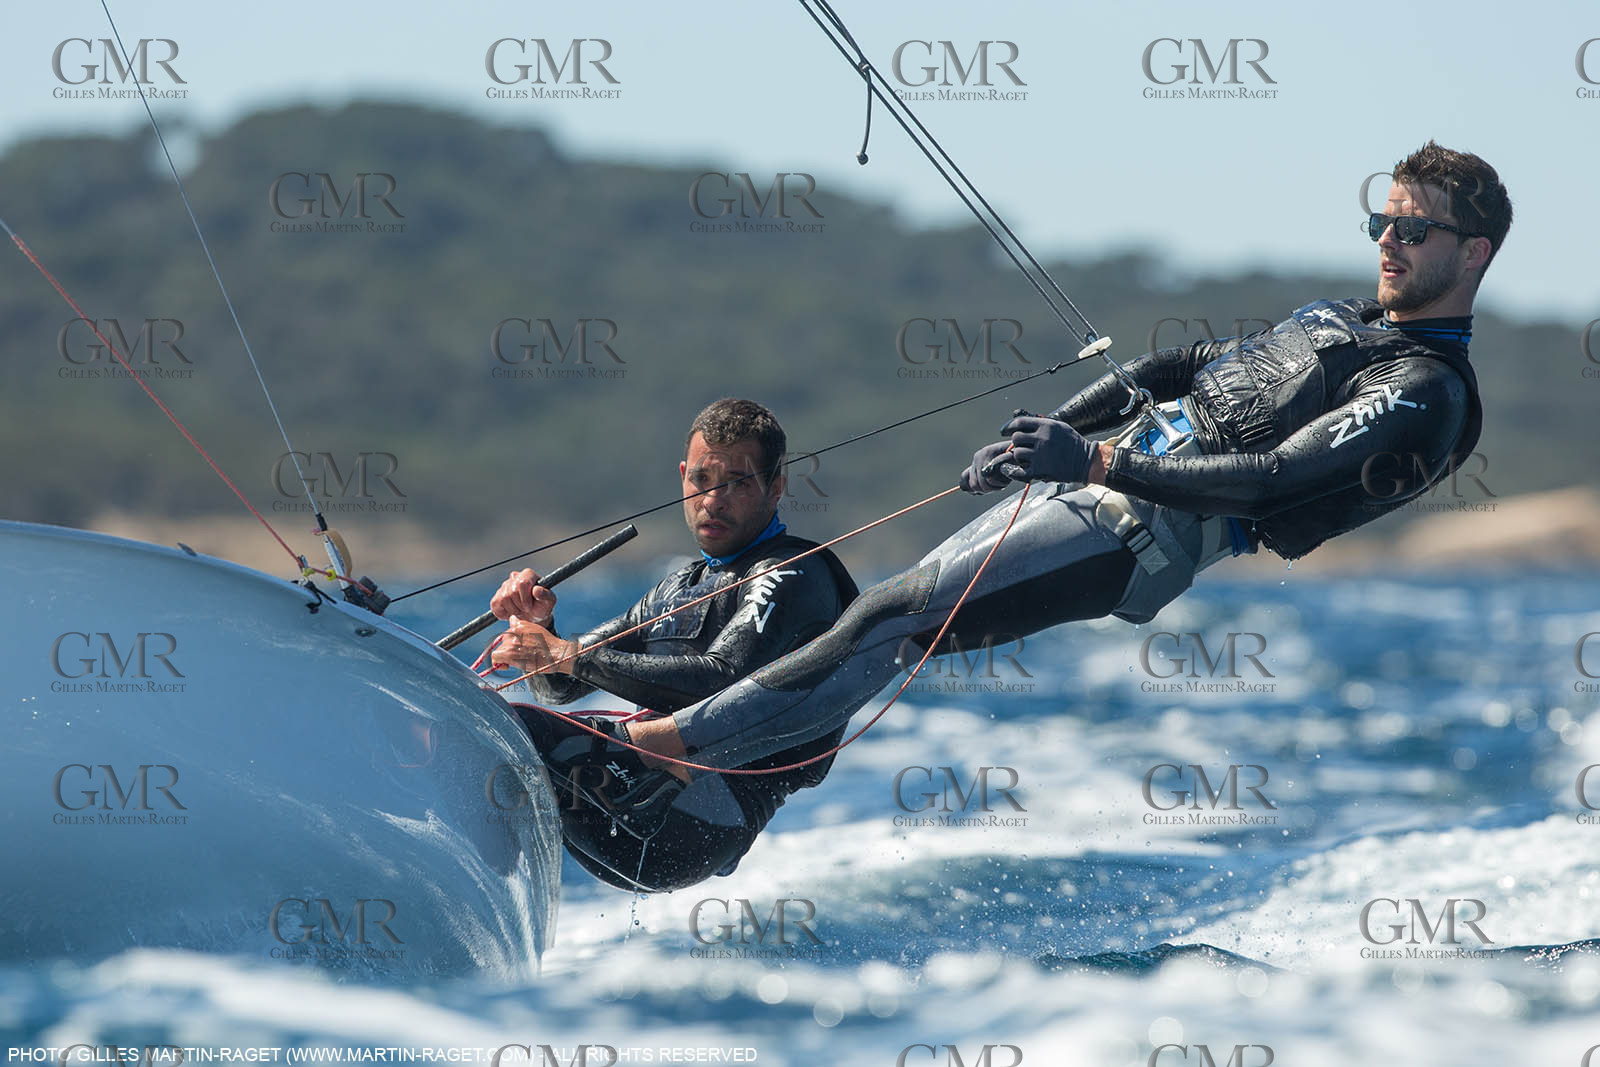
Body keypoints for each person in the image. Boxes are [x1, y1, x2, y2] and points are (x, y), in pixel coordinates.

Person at [606, 141, 1512, 799]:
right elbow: (1182, 366)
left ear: (1472, 252)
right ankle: (716, 764)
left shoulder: (1427, 391)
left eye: (1415, 229)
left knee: (896, 615)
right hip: (1101, 483)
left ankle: (673, 744)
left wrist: (1095, 459)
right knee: (889, 618)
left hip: (1144, 532)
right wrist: (1052, 432)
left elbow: (1270, 478)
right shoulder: (1348, 317)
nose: (1388, 241)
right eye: (1381, 222)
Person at [488, 398, 857, 892]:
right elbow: (560, 687)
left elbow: (723, 680)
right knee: (491, 719)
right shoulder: (675, 589)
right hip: (638, 803)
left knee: (506, 727)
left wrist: (563, 653)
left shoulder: (790, 572)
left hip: (696, 822)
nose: (713, 500)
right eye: (701, 480)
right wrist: (542, 625)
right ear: (683, 476)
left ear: (775, 488)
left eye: (738, 484)